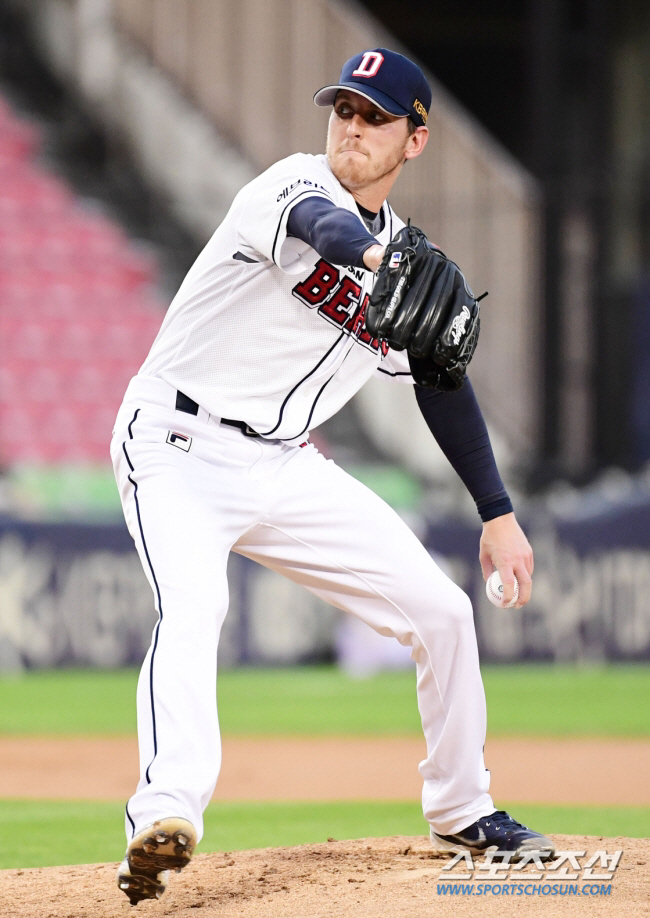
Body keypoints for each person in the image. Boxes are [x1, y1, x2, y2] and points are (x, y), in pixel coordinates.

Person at [111, 48, 553, 905]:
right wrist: (378, 263)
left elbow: (442, 384)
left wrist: (498, 514)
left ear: (414, 141)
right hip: (174, 441)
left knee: (444, 612)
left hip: (283, 463)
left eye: (375, 115)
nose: (352, 126)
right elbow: (327, 228)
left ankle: (464, 809)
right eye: (344, 108)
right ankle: (163, 818)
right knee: (197, 607)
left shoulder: (409, 261)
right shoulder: (289, 187)